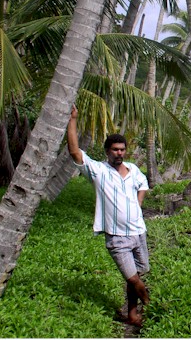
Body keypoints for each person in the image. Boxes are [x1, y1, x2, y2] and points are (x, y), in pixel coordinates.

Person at [67, 104, 150, 327]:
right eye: (115, 149)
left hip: (139, 232)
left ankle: (132, 314)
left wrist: (138, 204)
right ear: (107, 151)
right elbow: (75, 152)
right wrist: (72, 120)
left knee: (137, 276)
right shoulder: (99, 171)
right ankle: (153, 306)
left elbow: (143, 184)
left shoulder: (133, 169)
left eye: (122, 149)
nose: (119, 153)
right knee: (133, 278)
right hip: (117, 237)